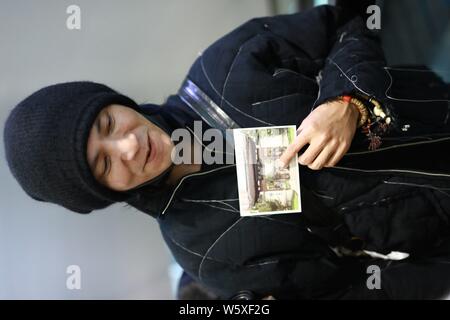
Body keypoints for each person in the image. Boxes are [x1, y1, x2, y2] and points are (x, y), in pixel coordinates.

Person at [4, 5, 450, 299]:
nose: (128, 145)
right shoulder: (207, 255)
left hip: (436, 106)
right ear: (106, 194)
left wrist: (346, 100)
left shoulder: (223, 68)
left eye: (107, 123)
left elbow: (347, 23)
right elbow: (351, 293)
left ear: (113, 101)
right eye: (104, 164)